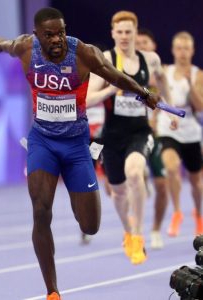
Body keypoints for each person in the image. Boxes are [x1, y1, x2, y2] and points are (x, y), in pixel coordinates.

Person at [0, 7, 159, 300]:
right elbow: (8, 45)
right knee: (41, 212)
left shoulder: (83, 53)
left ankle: (77, 198)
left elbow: (115, 75)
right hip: (42, 141)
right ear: (37, 35)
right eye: (50, 35)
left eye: (61, 32)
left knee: (90, 226)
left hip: (76, 145)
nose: (57, 39)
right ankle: (52, 291)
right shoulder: (26, 48)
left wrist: (143, 93)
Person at [86, 11, 175, 265]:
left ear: (136, 33)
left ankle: (138, 236)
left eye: (129, 32)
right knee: (118, 193)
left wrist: (169, 111)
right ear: (113, 33)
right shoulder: (105, 61)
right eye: (120, 32)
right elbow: (88, 98)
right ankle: (128, 230)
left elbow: (163, 86)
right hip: (112, 135)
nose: (124, 36)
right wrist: (112, 88)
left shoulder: (151, 60)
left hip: (139, 131)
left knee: (135, 172)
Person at [157, 31, 203, 237]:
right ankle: (177, 212)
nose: (183, 52)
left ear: (192, 51)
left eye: (187, 48)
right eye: (179, 48)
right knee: (171, 167)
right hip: (168, 126)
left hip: (191, 129)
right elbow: (157, 100)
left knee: (196, 182)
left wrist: (190, 85)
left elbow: (200, 108)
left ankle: (198, 214)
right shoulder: (164, 71)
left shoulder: (198, 74)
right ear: (173, 50)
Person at [135, 28, 169, 249]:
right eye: (138, 43)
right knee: (132, 179)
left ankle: (156, 229)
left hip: (157, 135)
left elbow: (168, 99)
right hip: (134, 134)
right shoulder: (129, 71)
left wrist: (160, 117)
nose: (141, 46)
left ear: (153, 46)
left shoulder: (161, 72)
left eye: (145, 42)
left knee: (162, 185)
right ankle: (134, 231)